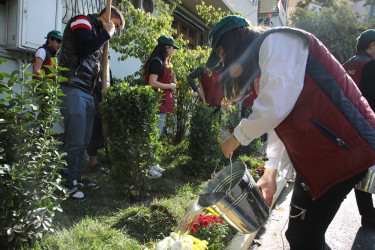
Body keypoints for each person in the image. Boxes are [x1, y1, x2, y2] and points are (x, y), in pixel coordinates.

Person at [211, 15, 375, 249]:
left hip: (343, 148)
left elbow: (274, 107)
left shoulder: (278, 42)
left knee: (304, 238)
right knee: (301, 236)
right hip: (322, 154)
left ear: (233, 41)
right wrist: (271, 170)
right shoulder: (268, 56)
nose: (223, 61)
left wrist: (236, 137)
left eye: (221, 52)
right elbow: (282, 122)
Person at [58, 6, 125, 199]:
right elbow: (84, 47)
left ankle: (76, 178)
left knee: (84, 141)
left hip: (87, 93)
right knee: (75, 140)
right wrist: (107, 34)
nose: (116, 30)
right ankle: (68, 184)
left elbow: (97, 71)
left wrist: (101, 96)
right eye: (116, 25)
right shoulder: (82, 21)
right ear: (107, 17)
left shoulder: (100, 37)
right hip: (73, 87)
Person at [343, 29, 375, 229]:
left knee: (358, 170)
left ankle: (368, 214)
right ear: (372, 45)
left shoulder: (346, 65)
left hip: (345, 127)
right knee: (364, 169)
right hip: (366, 126)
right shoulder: (371, 66)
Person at [144, 35, 179, 178]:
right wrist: (170, 85)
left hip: (162, 105)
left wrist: (172, 78)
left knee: (156, 136)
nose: (173, 52)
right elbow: (152, 82)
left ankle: (152, 163)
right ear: (166, 48)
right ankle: (148, 167)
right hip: (157, 104)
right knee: (153, 136)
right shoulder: (156, 62)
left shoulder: (163, 63)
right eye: (172, 48)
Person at [33, 30, 62, 121]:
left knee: (48, 116)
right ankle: (41, 135)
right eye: (58, 41)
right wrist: (47, 85)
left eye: (61, 42)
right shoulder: (42, 51)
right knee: (44, 114)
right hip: (42, 88)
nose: (60, 45)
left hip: (50, 90)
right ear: (50, 40)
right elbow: (36, 71)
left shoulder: (54, 55)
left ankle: (44, 134)